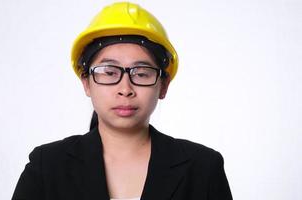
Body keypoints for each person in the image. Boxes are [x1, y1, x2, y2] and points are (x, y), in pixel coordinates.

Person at [12, 2, 233, 200]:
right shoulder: (47, 166)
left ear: (163, 86)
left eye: (141, 73)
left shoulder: (203, 167)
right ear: (87, 83)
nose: (125, 89)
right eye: (109, 72)